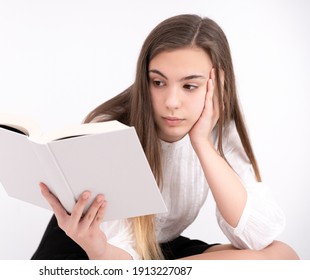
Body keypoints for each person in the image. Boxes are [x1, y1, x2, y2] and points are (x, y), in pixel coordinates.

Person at [31, 14, 299, 260]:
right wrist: (99, 249)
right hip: (94, 252)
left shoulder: (216, 127)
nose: (171, 101)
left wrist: (202, 144)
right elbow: (120, 253)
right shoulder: (110, 130)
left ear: (217, 85)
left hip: (156, 250)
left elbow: (257, 236)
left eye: (189, 86)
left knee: (282, 257)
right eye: (158, 82)